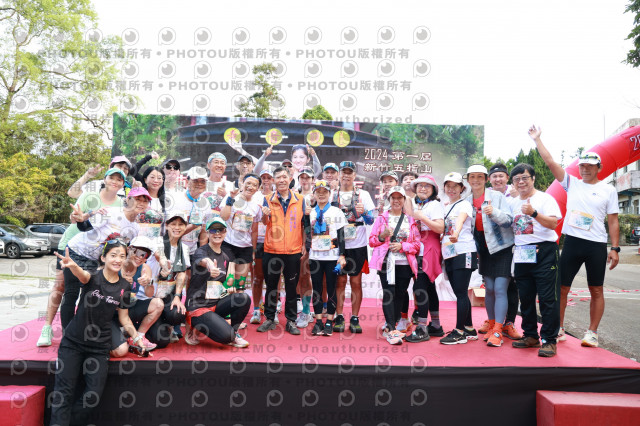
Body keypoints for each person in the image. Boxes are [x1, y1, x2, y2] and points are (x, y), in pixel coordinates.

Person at [529, 125, 620, 348]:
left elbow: (613, 221)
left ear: (599, 167)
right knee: (562, 288)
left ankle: (592, 333)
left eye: (590, 166)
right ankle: (558, 328)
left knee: (596, 289)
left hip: (596, 245)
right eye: (582, 166)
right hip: (572, 242)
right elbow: (551, 162)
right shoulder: (572, 183)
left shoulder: (608, 190)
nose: (585, 169)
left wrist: (615, 248)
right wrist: (537, 139)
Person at [49, 241, 154, 426]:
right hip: (73, 343)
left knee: (92, 397)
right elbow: (82, 275)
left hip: (99, 348)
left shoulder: (124, 286)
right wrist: (73, 266)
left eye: (122, 256)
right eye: (113, 255)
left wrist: (138, 338)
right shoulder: (92, 277)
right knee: (63, 392)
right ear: (104, 258)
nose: (117, 260)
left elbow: (124, 318)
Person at [38, 168, 125, 347]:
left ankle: (80, 332)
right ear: (105, 179)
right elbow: (75, 217)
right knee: (63, 288)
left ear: (123, 183)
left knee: (89, 292)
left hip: (95, 252)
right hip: (71, 245)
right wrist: (85, 214)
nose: (115, 182)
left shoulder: (120, 203)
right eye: (112, 178)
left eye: (119, 179)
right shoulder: (90, 195)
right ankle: (49, 328)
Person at [59, 187, 150, 329]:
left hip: (96, 260)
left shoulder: (135, 228)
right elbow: (85, 227)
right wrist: (81, 219)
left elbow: (123, 251)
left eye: (145, 201)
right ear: (128, 200)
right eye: (137, 199)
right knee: (72, 293)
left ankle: (81, 329)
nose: (141, 203)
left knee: (90, 295)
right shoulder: (111, 212)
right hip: (76, 252)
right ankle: (67, 332)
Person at [509, 162, 562, 357]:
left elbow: (553, 224)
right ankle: (530, 335)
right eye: (517, 179)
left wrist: (534, 213)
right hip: (522, 252)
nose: (521, 182)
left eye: (524, 178)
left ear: (533, 178)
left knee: (547, 299)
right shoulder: (512, 203)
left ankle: (549, 340)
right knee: (526, 297)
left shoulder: (545, 199)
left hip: (545, 251)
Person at [464, 165, 515, 347]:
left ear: (486, 179)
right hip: (484, 250)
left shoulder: (497, 197)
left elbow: (509, 221)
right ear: (468, 179)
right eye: (472, 177)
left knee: (500, 288)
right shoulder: (466, 201)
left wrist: (494, 212)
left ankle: (498, 330)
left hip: (502, 248)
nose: (476, 180)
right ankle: (492, 324)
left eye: (480, 177)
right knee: (490, 289)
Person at [184, 218, 251, 348]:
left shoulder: (225, 257)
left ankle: (234, 332)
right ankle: (194, 325)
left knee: (243, 298)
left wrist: (226, 291)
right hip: (198, 307)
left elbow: (217, 284)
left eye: (220, 230)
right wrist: (210, 265)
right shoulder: (201, 251)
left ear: (225, 232)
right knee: (226, 337)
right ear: (207, 233)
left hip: (214, 305)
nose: (217, 233)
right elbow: (203, 261)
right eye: (213, 230)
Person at [257, 166, 307, 335]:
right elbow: (264, 222)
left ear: (290, 179)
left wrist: (304, 245)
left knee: (292, 287)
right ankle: (270, 319)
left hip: (293, 250)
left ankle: (291, 321)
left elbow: (304, 225)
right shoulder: (267, 199)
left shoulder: (300, 199)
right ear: (273, 181)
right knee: (271, 287)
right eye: (278, 177)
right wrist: (265, 214)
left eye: (284, 177)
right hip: (272, 249)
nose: (281, 180)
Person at [369, 186, 421, 345]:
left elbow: (417, 244)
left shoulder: (410, 220)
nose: (396, 201)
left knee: (400, 294)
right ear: (389, 200)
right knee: (388, 293)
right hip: (386, 262)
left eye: (399, 198)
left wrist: (402, 246)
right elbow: (372, 241)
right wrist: (382, 236)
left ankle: (392, 324)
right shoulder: (381, 219)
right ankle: (391, 329)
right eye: (393, 198)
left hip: (405, 263)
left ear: (404, 200)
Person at [331, 161, 375, 334]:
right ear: (339, 174)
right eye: (344, 172)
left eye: (350, 172)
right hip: (338, 244)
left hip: (358, 243)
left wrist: (364, 212)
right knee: (340, 281)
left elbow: (371, 220)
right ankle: (339, 316)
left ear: (355, 175)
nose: (346, 175)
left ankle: (355, 317)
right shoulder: (332, 194)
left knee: (356, 281)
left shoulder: (363, 194)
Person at [481, 162, 522, 341]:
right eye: (494, 176)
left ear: (507, 178)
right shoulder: (486, 196)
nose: (498, 179)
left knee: (510, 288)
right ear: (489, 179)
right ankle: (493, 322)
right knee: (492, 289)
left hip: (512, 247)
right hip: (491, 248)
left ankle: (509, 323)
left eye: (501, 176)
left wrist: (519, 196)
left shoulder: (515, 195)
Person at [439, 172, 479, 345]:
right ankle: (469, 328)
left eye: (455, 186)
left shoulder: (464, 204)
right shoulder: (445, 206)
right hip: (450, 253)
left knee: (461, 292)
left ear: (462, 188)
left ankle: (459, 331)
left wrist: (456, 232)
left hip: (464, 251)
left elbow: (460, 221)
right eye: (448, 186)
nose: (451, 189)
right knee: (459, 292)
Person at [404, 174, 445, 342]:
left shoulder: (434, 204)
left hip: (428, 249)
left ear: (433, 190)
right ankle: (435, 325)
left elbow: (440, 228)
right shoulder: (416, 204)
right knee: (429, 287)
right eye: (419, 185)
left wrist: (422, 218)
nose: (422, 188)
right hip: (418, 248)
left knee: (419, 287)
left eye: (427, 186)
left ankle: (421, 328)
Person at [307, 180, 347, 336]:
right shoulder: (310, 212)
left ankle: (329, 321)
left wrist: (342, 255)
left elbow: (341, 235)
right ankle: (318, 321)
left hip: (332, 256)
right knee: (316, 289)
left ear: (330, 194)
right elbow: (306, 233)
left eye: (324, 192)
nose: (321, 194)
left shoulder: (336, 212)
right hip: (315, 256)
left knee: (331, 289)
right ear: (314, 194)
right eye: (318, 192)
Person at [220, 173, 263, 292]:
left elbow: (254, 231)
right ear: (242, 184)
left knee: (240, 283)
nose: (250, 187)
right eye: (248, 183)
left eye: (254, 185)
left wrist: (253, 250)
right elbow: (223, 217)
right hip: (228, 244)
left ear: (258, 188)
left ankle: (238, 303)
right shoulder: (231, 197)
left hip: (245, 247)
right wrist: (230, 199)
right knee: (229, 281)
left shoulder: (256, 206)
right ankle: (224, 303)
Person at [164, 166, 212, 255]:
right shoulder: (175, 199)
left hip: (192, 252)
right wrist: (193, 226)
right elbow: (170, 232)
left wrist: (201, 254)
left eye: (203, 181)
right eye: (195, 180)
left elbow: (204, 232)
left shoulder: (206, 203)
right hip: (173, 250)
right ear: (187, 181)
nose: (199, 184)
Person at [249, 169, 273, 325]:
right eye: (263, 178)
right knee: (257, 278)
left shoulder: (277, 196)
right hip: (257, 242)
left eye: (268, 177)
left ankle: (272, 308)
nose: (266, 180)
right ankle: (257, 309)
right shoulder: (254, 197)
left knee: (273, 279)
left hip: (273, 242)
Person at [296, 167, 316, 328]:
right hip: (294, 239)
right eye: (302, 177)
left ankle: (311, 309)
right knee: (301, 276)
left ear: (312, 180)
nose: (304, 180)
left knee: (310, 276)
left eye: (307, 177)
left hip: (314, 241)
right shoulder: (294, 195)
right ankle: (303, 309)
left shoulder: (317, 196)